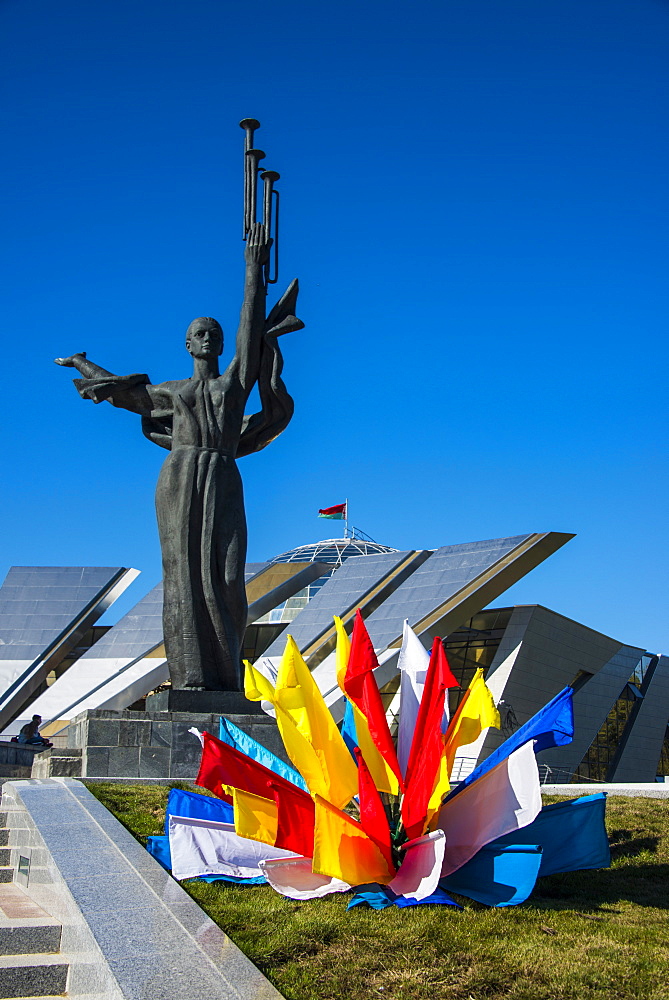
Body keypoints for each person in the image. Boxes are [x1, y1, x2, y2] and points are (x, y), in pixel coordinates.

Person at [55, 224, 303, 691]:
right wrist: (83, 365)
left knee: (228, 576)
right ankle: (190, 676)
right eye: (198, 333)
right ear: (188, 345)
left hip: (223, 474)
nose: (207, 337)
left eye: (213, 333)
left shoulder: (231, 387)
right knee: (183, 574)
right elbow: (124, 394)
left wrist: (253, 269)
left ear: (222, 344)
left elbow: (252, 333)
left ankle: (225, 678)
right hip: (180, 476)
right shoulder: (172, 392)